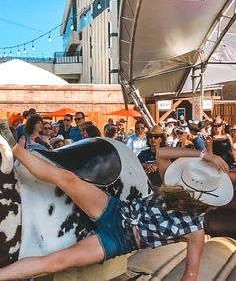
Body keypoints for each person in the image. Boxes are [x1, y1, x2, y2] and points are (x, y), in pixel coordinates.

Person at [0, 119, 233, 281]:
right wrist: (204, 154)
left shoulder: (196, 230)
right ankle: (15, 148)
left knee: (55, 262)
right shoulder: (175, 188)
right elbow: (163, 153)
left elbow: (190, 274)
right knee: (67, 178)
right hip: (115, 210)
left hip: (119, 239)